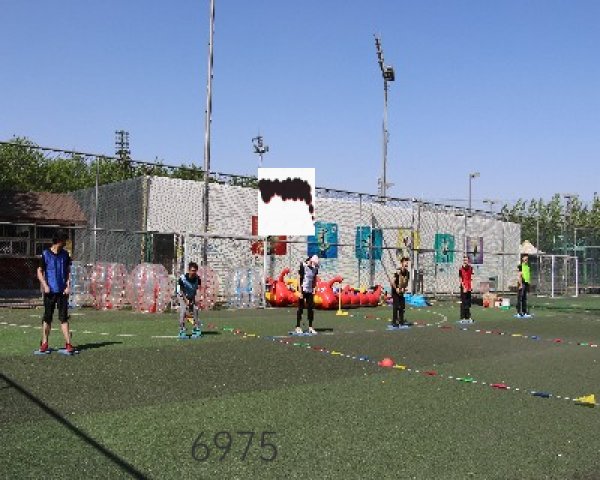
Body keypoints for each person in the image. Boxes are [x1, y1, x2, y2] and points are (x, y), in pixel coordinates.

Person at [37, 229, 74, 353]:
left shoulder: (65, 255)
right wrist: (45, 285)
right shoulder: (45, 254)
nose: (65, 243)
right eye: (64, 240)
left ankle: (68, 343)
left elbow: (68, 272)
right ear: (58, 241)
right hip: (50, 292)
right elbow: (39, 272)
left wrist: (68, 286)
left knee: (64, 318)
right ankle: (44, 343)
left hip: (62, 292)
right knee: (47, 317)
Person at [177, 262, 202, 338]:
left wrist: (195, 300)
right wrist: (186, 300)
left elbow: (197, 289)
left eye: (195, 271)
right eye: (192, 270)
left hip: (191, 296)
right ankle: (182, 330)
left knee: (195, 310)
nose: (193, 272)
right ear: (189, 270)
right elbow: (180, 290)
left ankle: (196, 329)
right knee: (183, 311)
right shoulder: (182, 279)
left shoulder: (198, 279)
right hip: (182, 295)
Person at [296, 255, 319, 334]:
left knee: (310, 309)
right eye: (312, 263)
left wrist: (314, 288)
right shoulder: (303, 266)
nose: (313, 265)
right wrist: (300, 291)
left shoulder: (315, 268)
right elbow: (299, 278)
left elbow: (314, 278)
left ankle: (310, 327)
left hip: (310, 290)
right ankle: (298, 327)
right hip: (303, 289)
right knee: (300, 308)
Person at [391, 257, 410, 327]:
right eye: (405, 262)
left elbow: (405, 283)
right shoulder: (398, 271)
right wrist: (396, 288)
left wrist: (403, 289)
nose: (406, 263)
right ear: (401, 263)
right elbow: (392, 282)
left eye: (407, 262)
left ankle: (401, 320)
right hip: (395, 290)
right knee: (396, 306)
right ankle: (394, 321)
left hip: (401, 290)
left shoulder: (407, 273)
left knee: (402, 306)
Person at [459, 255, 474, 321]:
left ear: (468, 261)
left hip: (469, 286)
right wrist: (464, 287)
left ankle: (468, 317)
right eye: (464, 260)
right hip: (464, 286)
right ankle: (463, 317)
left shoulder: (471, 268)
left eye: (467, 260)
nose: (465, 261)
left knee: (468, 303)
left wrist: (471, 286)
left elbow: (472, 277)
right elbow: (460, 279)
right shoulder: (460, 268)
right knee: (464, 303)